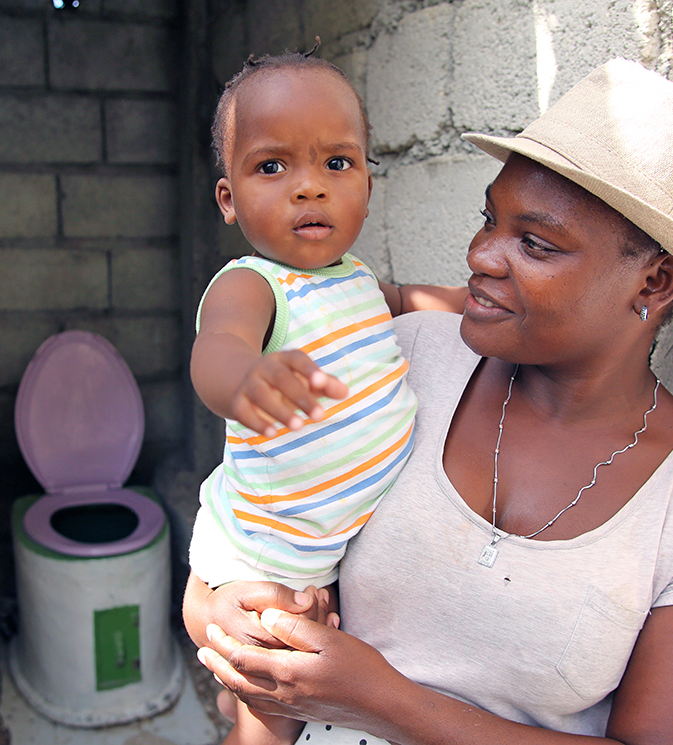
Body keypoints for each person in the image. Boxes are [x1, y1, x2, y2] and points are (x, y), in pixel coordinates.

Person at [184, 58, 673, 745]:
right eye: (488, 219)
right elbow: (251, 520)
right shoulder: (397, 358)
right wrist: (217, 611)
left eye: (533, 243)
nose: (481, 254)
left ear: (654, 281)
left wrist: (382, 700)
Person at [189, 47, 466, 745]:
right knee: (272, 721)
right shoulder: (252, 284)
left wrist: (476, 301)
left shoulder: (359, 279)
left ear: (368, 185)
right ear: (229, 198)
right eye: (272, 166)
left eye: (336, 164)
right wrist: (245, 380)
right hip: (263, 556)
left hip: (329, 548)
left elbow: (406, 300)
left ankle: (237, 707)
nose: (308, 187)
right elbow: (216, 349)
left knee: (295, 698)